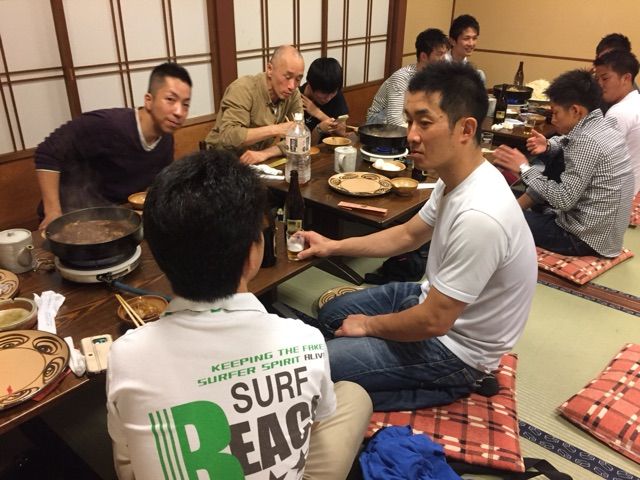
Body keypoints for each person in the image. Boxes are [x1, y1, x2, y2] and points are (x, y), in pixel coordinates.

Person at [106, 150, 372, 480]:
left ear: (158, 257)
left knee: (127, 441)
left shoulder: (125, 355)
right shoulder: (305, 340)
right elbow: (315, 422)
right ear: (253, 252)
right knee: (354, 396)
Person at [296, 62, 538, 411]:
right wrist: (332, 246)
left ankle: (449, 385)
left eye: (424, 123)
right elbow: (408, 235)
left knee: (319, 370)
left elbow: (435, 321)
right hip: (429, 302)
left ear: (466, 128)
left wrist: (368, 325)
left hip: (455, 348)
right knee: (332, 314)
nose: (410, 134)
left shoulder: (481, 215)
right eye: (409, 121)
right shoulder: (454, 177)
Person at [493, 69, 634, 258]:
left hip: (581, 238)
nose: (553, 119)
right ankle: (526, 205)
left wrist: (524, 168)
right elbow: (568, 141)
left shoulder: (586, 142)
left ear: (575, 110)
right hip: (604, 234)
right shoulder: (603, 125)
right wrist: (548, 145)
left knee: (497, 219)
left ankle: (522, 207)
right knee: (507, 197)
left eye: (556, 112)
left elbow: (563, 199)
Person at [34, 62, 192, 230]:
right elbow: (47, 152)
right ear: (148, 100)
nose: (179, 112)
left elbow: (158, 185)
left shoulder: (166, 139)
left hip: (117, 218)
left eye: (185, 104)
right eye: (170, 99)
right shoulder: (107, 125)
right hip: (72, 216)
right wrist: (53, 212)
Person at [205, 45, 304, 164]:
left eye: (298, 79)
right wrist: (276, 129)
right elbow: (229, 136)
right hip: (219, 160)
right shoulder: (243, 89)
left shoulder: (293, 94)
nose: (292, 86)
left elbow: (300, 136)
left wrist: (265, 153)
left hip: (254, 163)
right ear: (270, 69)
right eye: (287, 77)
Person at [366, 28, 449, 126]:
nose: (445, 59)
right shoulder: (402, 77)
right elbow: (394, 121)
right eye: (440, 54)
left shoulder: (436, 76)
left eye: (445, 53)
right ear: (423, 56)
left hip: (408, 120)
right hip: (379, 122)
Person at [594, 50, 640, 194]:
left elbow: (596, 159)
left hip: (613, 197)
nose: (599, 84)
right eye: (597, 79)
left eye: (605, 78)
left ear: (626, 78)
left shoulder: (619, 112)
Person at [299, 57, 349, 144]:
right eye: (323, 93)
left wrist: (318, 113)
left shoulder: (335, 92)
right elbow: (300, 143)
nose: (328, 98)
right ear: (310, 85)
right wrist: (319, 129)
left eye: (332, 93)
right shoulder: (298, 97)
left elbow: (342, 131)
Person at [445, 14, 485, 83]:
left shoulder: (474, 72)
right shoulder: (440, 64)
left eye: (474, 38)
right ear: (452, 41)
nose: (471, 43)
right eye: (466, 38)